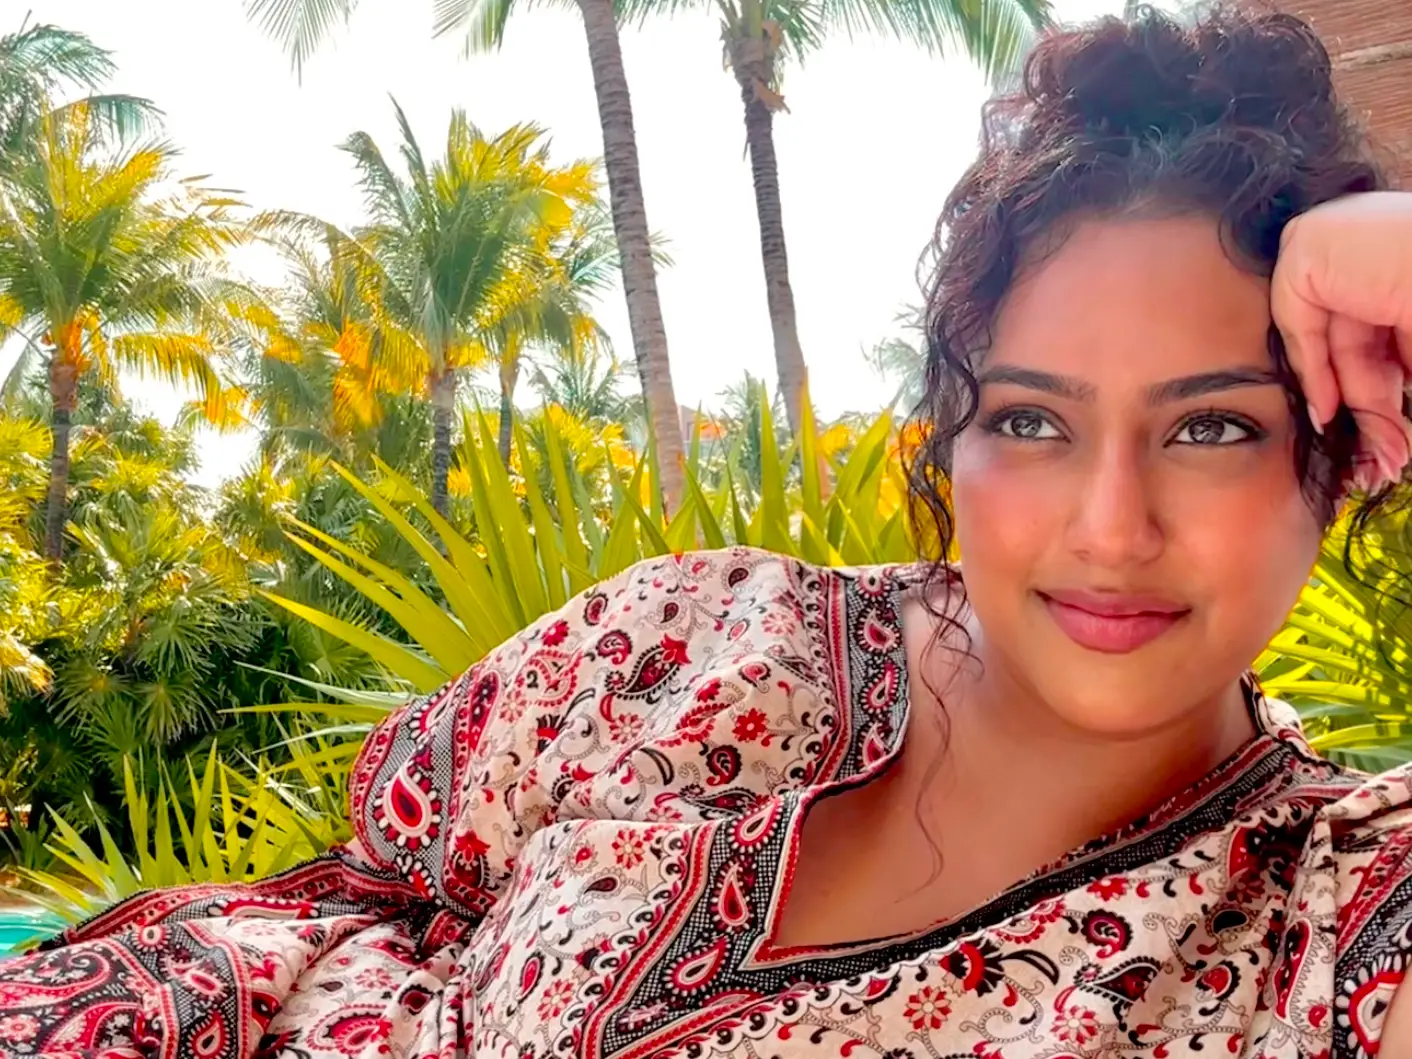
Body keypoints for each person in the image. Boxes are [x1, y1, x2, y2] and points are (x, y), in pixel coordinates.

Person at [5, 7, 1412, 1058]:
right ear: (950, 441)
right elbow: (354, 906)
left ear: (1345, 446)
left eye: (1212, 426)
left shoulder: (1332, 917)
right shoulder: (702, 639)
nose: (1112, 525)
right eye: (1034, 421)